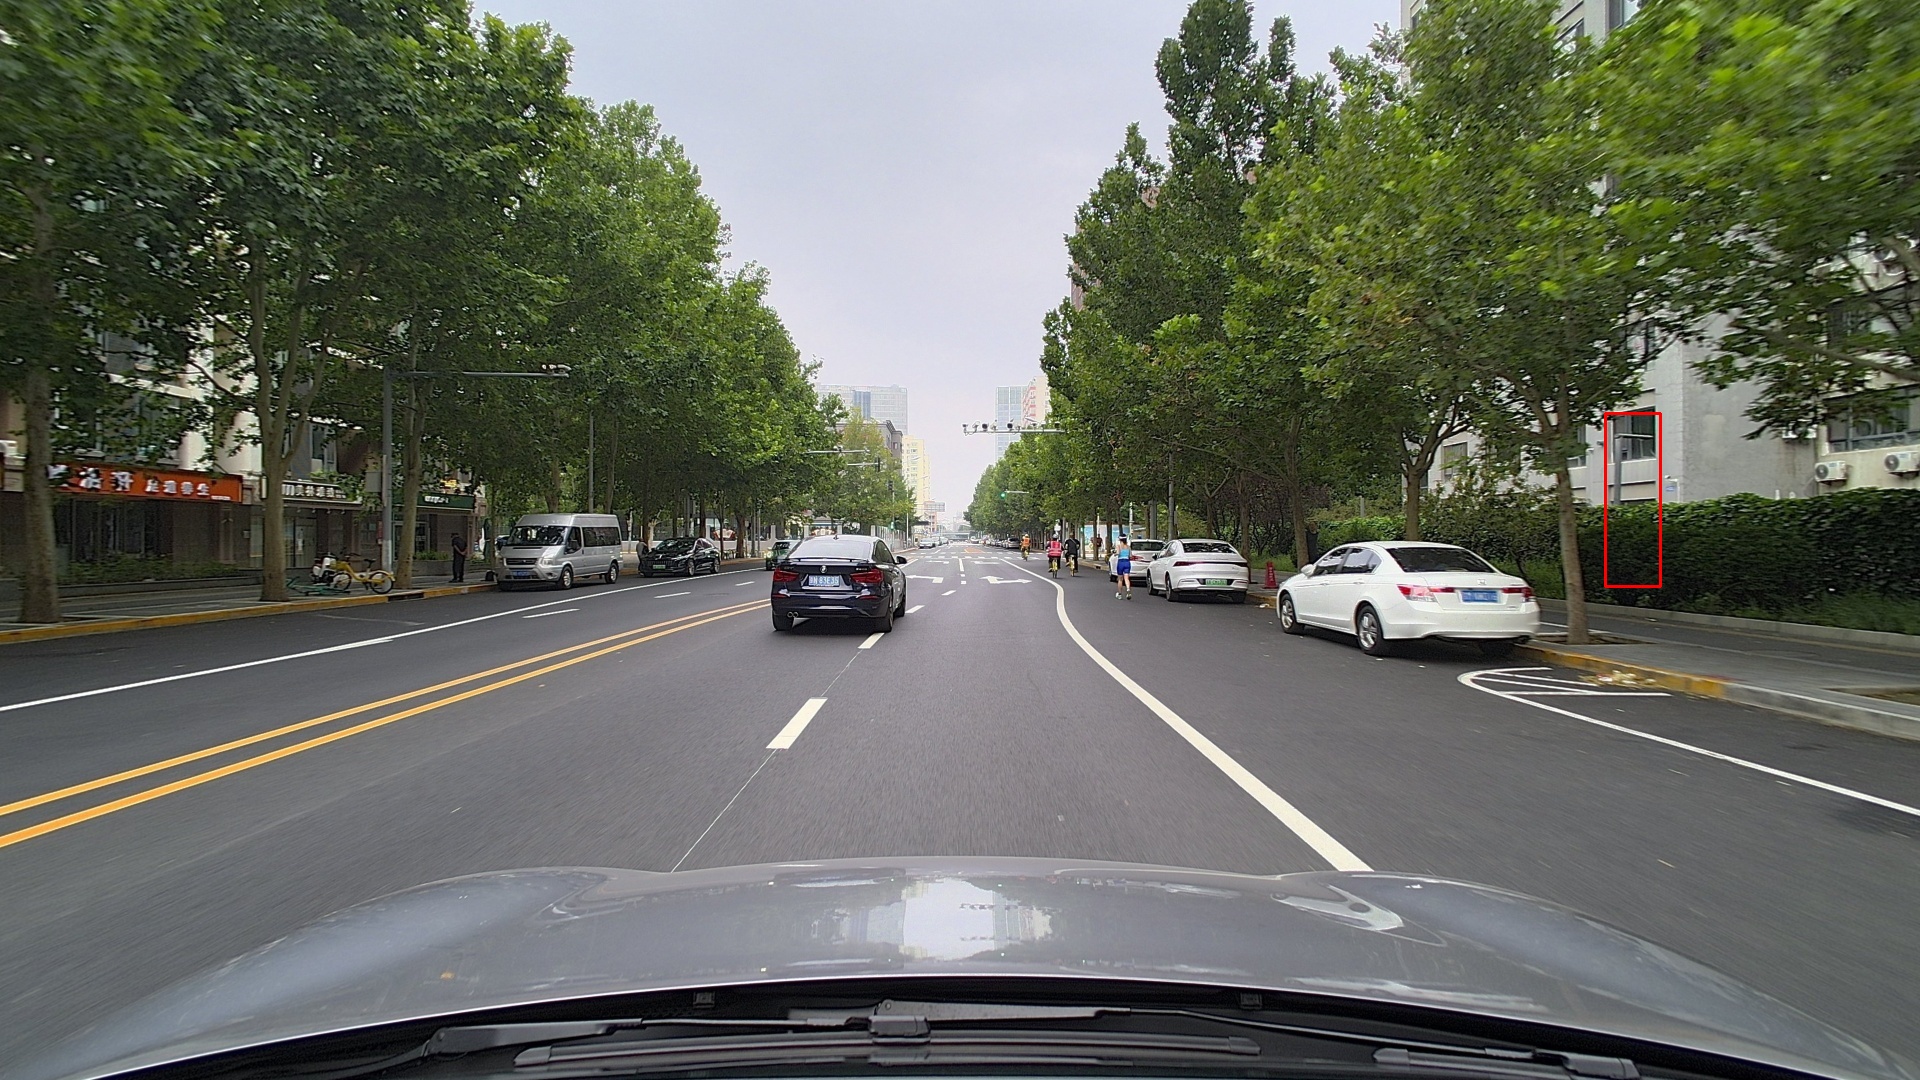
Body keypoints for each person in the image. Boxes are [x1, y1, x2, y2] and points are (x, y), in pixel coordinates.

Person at [1113, 534, 1134, 600]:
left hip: (1121, 563)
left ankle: (1119, 594)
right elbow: (1130, 556)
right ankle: (1128, 589)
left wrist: (1115, 553)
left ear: (1120, 539)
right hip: (1127, 562)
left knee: (1120, 579)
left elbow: (1118, 553)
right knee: (1126, 578)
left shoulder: (1119, 546)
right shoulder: (1128, 547)